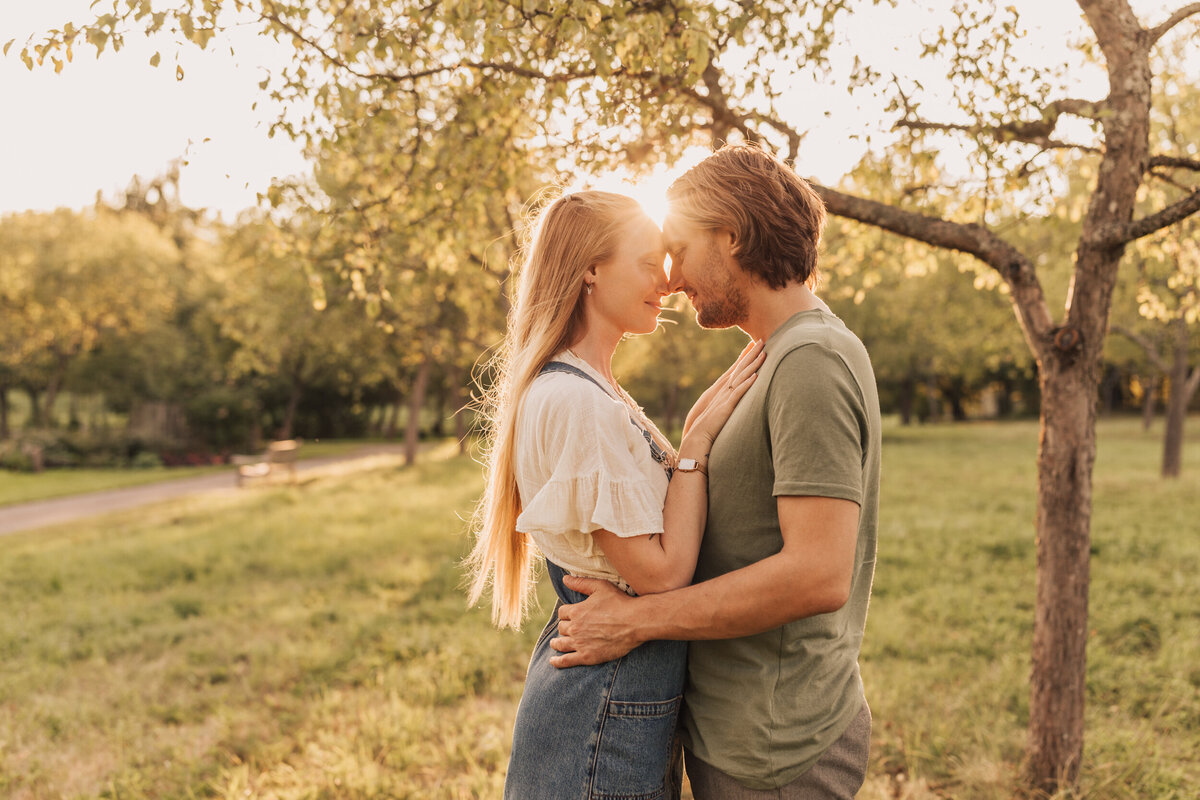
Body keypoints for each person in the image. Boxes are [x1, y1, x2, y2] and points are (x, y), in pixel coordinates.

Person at [548, 144, 882, 799]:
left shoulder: (811, 359)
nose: (669, 279)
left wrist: (636, 621)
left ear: (730, 234)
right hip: (736, 731)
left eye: (678, 249)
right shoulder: (773, 355)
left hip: (777, 747)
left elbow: (818, 574)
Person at [465, 189, 766, 799]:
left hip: (621, 691)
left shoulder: (590, 388)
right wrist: (695, 444)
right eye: (648, 262)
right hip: (606, 700)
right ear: (590, 270)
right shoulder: (577, 402)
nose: (669, 280)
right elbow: (659, 574)